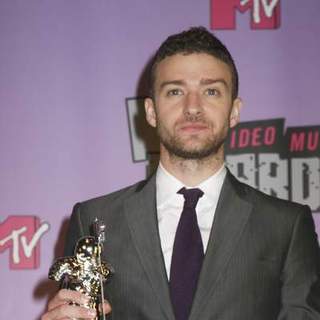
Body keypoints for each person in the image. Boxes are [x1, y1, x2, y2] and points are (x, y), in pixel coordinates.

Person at [42, 27, 320, 320]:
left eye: (211, 91)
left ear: (234, 111)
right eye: (175, 91)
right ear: (150, 111)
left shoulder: (285, 226)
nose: (193, 108)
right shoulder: (94, 219)